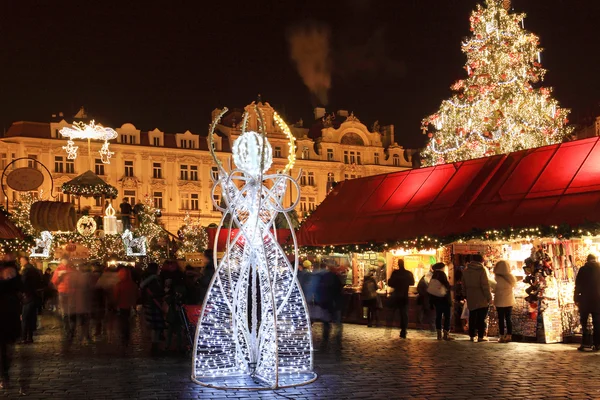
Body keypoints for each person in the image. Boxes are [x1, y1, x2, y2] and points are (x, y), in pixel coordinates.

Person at [0, 256, 23, 389]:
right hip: (9, 317)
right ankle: (4, 375)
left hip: (7, 317)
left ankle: (4, 375)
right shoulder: (14, 279)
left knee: (5, 348)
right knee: (5, 348)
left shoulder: (13, 281)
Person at [462, 254, 492, 342]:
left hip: (471, 295)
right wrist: (489, 297)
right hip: (481, 296)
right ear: (481, 261)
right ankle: (480, 336)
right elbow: (485, 285)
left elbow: (463, 285)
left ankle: (472, 335)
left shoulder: (466, 270)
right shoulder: (482, 270)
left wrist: (465, 294)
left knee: (472, 316)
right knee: (481, 317)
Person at [574, 254, 600, 351]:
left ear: (587, 260)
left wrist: (576, 298)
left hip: (585, 299)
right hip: (598, 300)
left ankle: (585, 344)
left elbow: (578, 285)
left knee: (584, 323)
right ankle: (597, 344)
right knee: (597, 323)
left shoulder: (583, 270)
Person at [140, 263, 165, 355]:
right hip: (153, 303)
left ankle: (155, 345)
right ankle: (155, 346)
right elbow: (142, 285)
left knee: (156, 326)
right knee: (156, 326)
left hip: (152, 303)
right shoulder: (152, 278)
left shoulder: (150, 277)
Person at [387, 259, 415, 339]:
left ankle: (389, 331)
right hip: (404, 296)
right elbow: (412, 282)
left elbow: (390, 283)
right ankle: (403, 331)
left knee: (392, 313)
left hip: (396, 295)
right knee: (404, 314)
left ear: (398, 264)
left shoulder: (395, 273)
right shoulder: (408, 273)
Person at [318, 264, 344, 349]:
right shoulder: (336, 278)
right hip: (335, 303)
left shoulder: (324, 278)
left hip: (326, 303)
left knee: (326, 323)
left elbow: (320, 290)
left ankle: (325, 340)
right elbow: (340, 290)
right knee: (337, 323)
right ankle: (337, 340)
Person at [113, 267, 138, 348]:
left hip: (122, 306)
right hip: (130, 306)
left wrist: (115, 304)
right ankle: (126, 337)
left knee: (124, 322)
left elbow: (116, 296)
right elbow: (137, 295)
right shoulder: (133, 284)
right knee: (127, 322)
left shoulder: (120, 285)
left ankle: (124, 337)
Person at [20, 256, 42, 344]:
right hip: (35, 296)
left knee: (25, 318)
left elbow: (23, 283)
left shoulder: (26, 270)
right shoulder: (35, 270)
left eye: (21, 260)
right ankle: (30, 337)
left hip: (28, 296)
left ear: (25, 261)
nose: (20, 262)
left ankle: (24, 338)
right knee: (32, 317)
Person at [428, 262, 453, 341]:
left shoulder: (434, 275)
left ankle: (439, 335)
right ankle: (446, 334)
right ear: (442, 268)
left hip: (436, 300)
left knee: (438, 316)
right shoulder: (442, 274)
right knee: (447, 316)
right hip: (444, 299)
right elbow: (446, 285)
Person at [493, 260, 516, 343]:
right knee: (508, 318)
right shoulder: (511, 278)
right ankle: (509, 335)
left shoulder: (496, 278)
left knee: (501, 319)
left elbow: (494, 289)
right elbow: (514, 286)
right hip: (509, 300)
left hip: (499, 300)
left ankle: (502, 336)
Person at [51, 256, 75, 335]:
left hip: (71, 292)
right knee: (65, 312)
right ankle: (67, 329)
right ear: (61, 261)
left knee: (71, 311)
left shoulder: (71, 269)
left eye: (66, 260)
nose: (65, 262)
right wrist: (59, 276)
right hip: (62, 292)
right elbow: (54, 282)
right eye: (63, 260)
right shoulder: (58, 270)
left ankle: (71, 328)